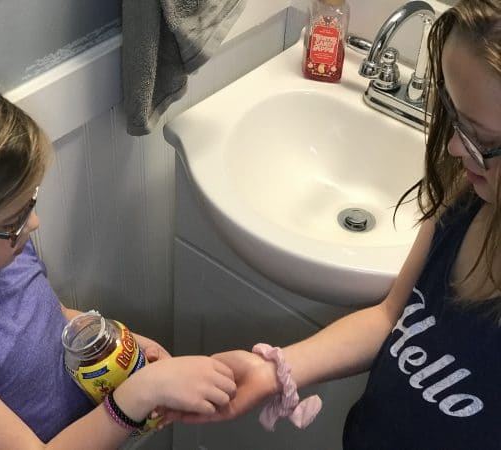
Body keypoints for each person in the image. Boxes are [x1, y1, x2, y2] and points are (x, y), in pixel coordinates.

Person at [177, 1, 501, 448]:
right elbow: (389, 316)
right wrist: (276, 370)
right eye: (453, 118)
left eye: (480, 139)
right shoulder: (463, 201)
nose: (452, 147)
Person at [0, 64, 236, 450]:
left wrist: (114, 342)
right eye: (13, 221)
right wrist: (141, 393)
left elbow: (48, 317)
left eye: (31, 204)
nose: (34, 225)